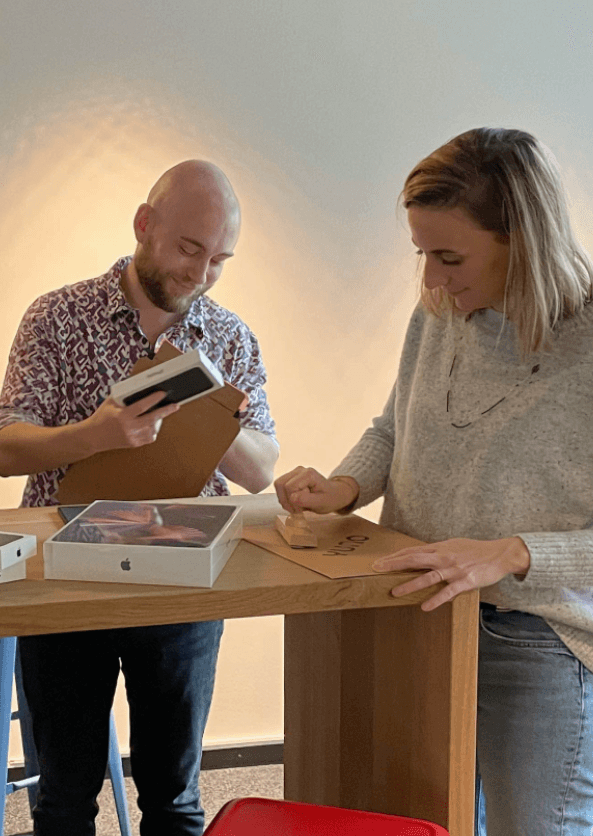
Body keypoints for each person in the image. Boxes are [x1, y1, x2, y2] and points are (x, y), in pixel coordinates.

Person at [274, 127, 593, 836]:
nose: (431, 281)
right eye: (422, 255)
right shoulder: (440, 314)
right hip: (415, 615)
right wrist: (345, 486)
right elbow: (394, 427)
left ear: (525, 240)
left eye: (449, 257)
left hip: (535, 637)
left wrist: (512, 551)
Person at [0, 160, 278, 836]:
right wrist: (95, 435)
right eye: (188, 248)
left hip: (182, 577)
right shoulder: (57, 317)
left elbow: (264, 469)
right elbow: (6, 447)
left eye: (219, 259)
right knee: (63, 799)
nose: (201, 273)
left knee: (174, 800)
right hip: (68, 573)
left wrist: (209, 409)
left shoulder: (229, 337)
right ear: (145, 226)